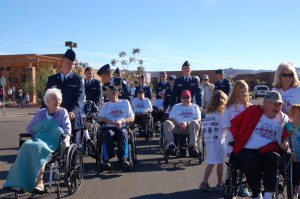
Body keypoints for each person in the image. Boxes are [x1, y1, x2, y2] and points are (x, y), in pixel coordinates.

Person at [3, 88, 71, 193]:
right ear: (47, 101)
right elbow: (30, 128)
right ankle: (18, 182)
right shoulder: (41, 113)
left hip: (53, 142)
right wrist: (42, 128)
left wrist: (55, 131)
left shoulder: (63, 112)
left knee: (39, 149)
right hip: (38, 139)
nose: (58, 102)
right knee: (25, 146)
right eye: (54, 99)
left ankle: (40, 181)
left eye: (59, 99)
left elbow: (67, 130)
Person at [230, 91, 289, 199]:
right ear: (265, 103)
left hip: (270, 150)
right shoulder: (253, 111)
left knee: (274, 159)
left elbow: (287, 134)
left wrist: (285, 140)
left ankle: (268, 194)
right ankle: (257, 194)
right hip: (248, 149)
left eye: (280, 104)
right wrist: (239, 138)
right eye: (275, 104)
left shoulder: (283, 119)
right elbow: (235, 123)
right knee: (250, 160)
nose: (278, 107)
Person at [43, 49, 84, 146]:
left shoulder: (78, 80)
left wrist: (73, 111)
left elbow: (79, 99)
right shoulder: (52, 79)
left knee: (73, 151)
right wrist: (43, 113)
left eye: (73, 64)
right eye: (69, 63)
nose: (71, 66)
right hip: (55, 119)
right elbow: (46, 99)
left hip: (72, 120)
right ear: (62, 61)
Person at [222, 80, 252, 196]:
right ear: (236, 91)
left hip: (247, 140)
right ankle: (233, 185)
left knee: (248, 161)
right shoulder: (229, 107)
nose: (244, 94)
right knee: (234, 164)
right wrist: (238, 134)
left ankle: (244, 185)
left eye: (246, 91)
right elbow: (227, 125)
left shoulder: (249, 107)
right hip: (233, 139)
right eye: (242, 91)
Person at [99, 84, 134, 170]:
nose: (106, 94)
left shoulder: (125, 102)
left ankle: (123, 158)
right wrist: (113, 122)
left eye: (108, 92)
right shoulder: (106, 105)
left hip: (122, 126)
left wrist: (122, 121)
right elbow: (100, 118)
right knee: (108, 134)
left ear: (115, 93)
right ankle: (107, 158)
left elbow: (132, 117)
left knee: (123, 133)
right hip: (110, 127)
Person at [200, 90, 228, 192]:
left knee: (211, 162)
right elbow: (226, 127)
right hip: (218, 141)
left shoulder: (209, 114)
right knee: (219, 163)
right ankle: (220, 182)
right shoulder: (221, 114)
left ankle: (204, 182)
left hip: (209, 140)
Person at [164, 90, 201, 158]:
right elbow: (171, 118)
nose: (185, 99)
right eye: (183, 97)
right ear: (180, 98)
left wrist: (187, 124)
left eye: (187, 97)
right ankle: (171, 145)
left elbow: (198, 118)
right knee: (167, 122)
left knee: (195, 122)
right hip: (178, 127)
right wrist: (178, 124)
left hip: (190, 128)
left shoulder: (195, 107)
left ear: (191, 98)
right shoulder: (176, 106)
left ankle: (193, 146)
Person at [281, 104, 300, 196]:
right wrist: (285, 141)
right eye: (299, 115)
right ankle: (296, 187)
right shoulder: (289, 126)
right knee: (295, 172)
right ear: (292, 116)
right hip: (294, 155)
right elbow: (286, 137)